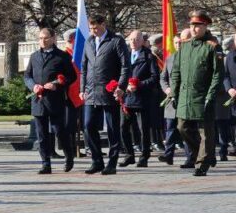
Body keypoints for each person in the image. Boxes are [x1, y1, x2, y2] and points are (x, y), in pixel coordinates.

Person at [171, 10, 223, 176]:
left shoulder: (212, 46)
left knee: (205, 132)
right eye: (192, 25)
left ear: (205, 26)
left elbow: (217, 74)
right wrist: (173, 92)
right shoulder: (185, 46)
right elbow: (176, 72)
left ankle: (201, 164)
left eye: (198, 25)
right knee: (182, 127)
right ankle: (206, 154)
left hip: (203, 96)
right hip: (185, 97)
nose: (194, 29)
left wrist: (211, 94)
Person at [80, 14, 130, 175]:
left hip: (109, 91)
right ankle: (97, 160)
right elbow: (84, 67)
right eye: (91, 28)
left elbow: (125, 66)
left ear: (103, 24)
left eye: (95, 27)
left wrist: (121, 86)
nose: (93, 31)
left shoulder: (115, 41)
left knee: (112, 128)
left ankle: (112, 162)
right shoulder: (88, 42)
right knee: (88, 126)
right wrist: (82, 89)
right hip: (91, 92)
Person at [24, 27, 77, 174]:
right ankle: (45, 163)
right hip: (38, 100)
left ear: (53, 38)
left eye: (45, 38)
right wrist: (33, 86)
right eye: (40, 38)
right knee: (41, 134)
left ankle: (69, 156)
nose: (42, 41)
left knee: (59, 131)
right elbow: (27, 76)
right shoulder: (34, 56)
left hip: (55, 100)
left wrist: (57, 84)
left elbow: (71, 76)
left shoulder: (62, 56)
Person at [119, 31, 160, 168]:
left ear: (142, 41)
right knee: (123, 127)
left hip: (142, 98)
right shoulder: (125, 55)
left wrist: (139, 85)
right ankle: (129, 155)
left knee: (143, 129)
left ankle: (144, 156)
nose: (133, 42)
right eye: (131, 39)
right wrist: (122, 87)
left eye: (136, 39)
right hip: (126, 98)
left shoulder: (148, 56)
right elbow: (120, 74)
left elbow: (155, 78)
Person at [159, 30, 191, 167]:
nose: (178, 45)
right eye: (176, 43)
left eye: (180, 42)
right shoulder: (170, 58)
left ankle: (190, 157)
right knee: (170, 129)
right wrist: (166, 89)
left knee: (186, 129)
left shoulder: (190, 57)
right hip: (171, 99)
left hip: (185, 98)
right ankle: (168, 155)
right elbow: (163, 77)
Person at [62, 29, 85, 159]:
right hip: (68, 95)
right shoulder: (66, 55)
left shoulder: (76, 56)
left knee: (76, 124)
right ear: (72, 40)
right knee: (69, 124)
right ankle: (69, 149)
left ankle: (76, 148)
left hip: (78, 93)